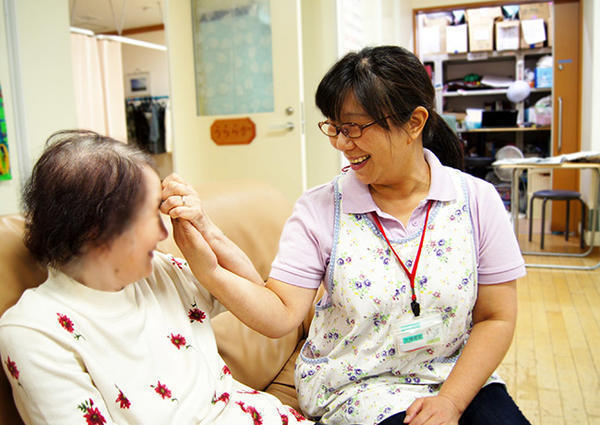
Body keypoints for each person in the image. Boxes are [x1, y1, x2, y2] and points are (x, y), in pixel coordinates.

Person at [161, 46, 530, 425]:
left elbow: (496, 318)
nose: (340, 143)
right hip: (359, 387)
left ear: (415, 123)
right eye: (334, 127)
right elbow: (280, 313)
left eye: (353, 128)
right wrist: (209, 269)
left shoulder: (476, 200)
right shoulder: (320, 209)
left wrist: (451, 401)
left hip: (454, 373)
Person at [0, 130, 311, 425]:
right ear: (97, 232)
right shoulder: (36, 330)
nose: (165, 233)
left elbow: (257, 293)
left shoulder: (158, 271)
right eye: (151, 215)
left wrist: (206, 229)